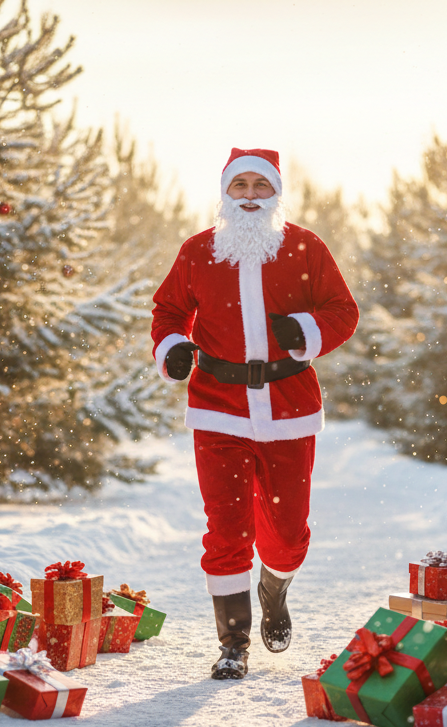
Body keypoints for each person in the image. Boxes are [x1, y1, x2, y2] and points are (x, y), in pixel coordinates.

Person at [151, 148, 359, 679]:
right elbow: (170, 310)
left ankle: (275, 585)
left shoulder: (305, 247)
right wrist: (172, 345)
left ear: (276, 192)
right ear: (225, 192)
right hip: (218, 409)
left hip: (289, 409)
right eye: (239, 185)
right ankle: (233, 643)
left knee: (288, 536)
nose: (249, 195)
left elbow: (343, 309)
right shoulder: (199, 251)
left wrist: (308, 331)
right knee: (226, 529)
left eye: (259, 186)